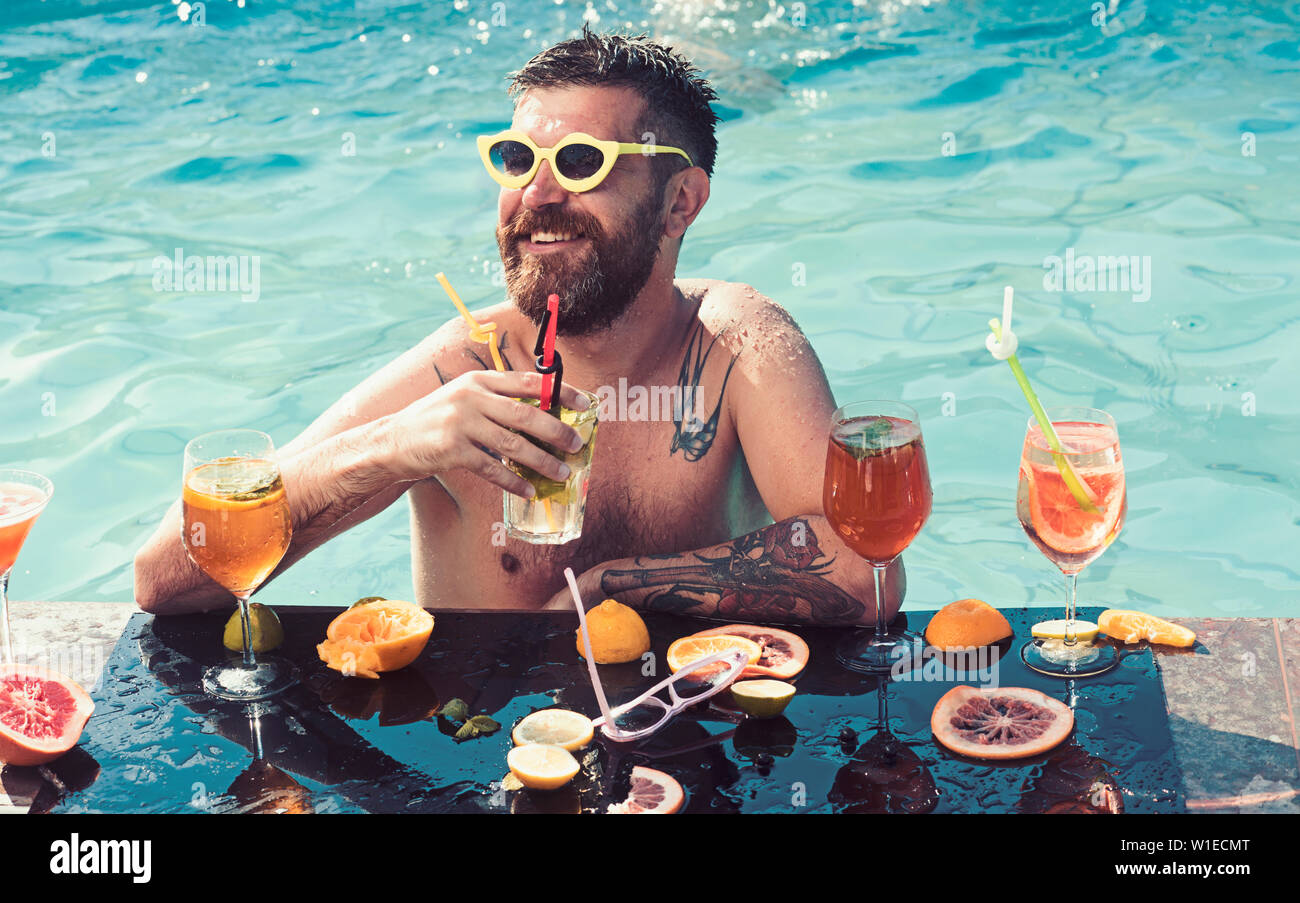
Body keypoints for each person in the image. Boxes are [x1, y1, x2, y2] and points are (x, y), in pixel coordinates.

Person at [134, 27, 904, 625]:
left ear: (680, 201)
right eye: (514, 158)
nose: (534, 194)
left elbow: (867, 568)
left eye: (580, 162)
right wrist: (394, 446)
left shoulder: (736, 346)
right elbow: (167, 575)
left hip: (700, 743)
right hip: (481, 751)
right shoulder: (458, 371)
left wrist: (615, 584)